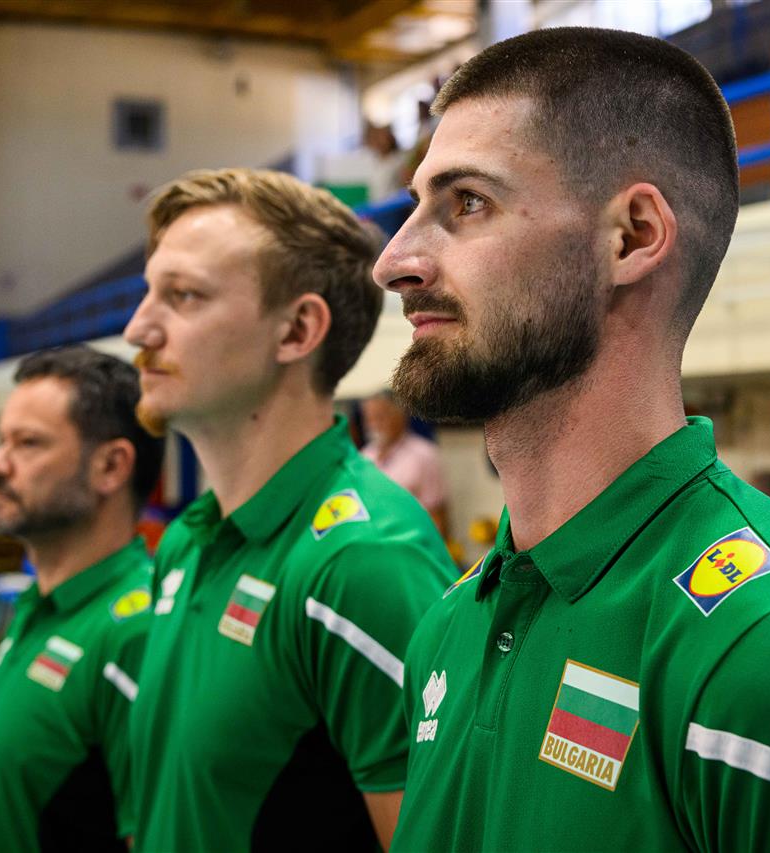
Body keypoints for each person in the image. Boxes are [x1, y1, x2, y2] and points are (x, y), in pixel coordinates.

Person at [373, 28, 770, 852]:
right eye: (414, 207)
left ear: (633, 235)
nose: (395, 260)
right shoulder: (449, 627)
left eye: (467, 203)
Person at [122, 168, 454, 852]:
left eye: (183, 296)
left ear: (298, 329)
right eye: (148, 293)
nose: (138, 329)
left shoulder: (362, 565)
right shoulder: (186, 542)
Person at [0, 346, 164, 852]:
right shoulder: (40, 606)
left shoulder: (135, 634)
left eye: (27, 444)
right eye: (2, 440)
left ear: (110, 466)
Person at [361, 390, 449, 535]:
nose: (374, 425)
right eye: (369, 419)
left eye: (380, 417)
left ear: (400, 415)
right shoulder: (364, 457)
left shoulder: (424, 454)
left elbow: (437, 514)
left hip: (413, 540)